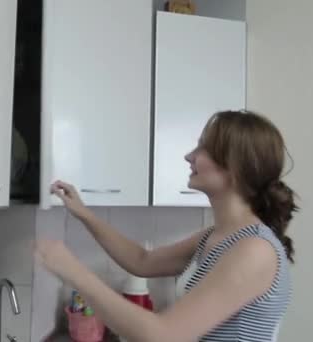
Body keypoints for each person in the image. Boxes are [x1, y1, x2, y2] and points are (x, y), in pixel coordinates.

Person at [34, 110, 298, 342]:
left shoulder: (254, 250)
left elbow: (164, 335)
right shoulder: (217, 237)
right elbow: (142, 260)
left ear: (234, 168)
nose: (188, 156)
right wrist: (84, 214)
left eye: (202, 148)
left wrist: (75, 274)